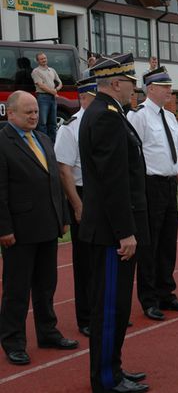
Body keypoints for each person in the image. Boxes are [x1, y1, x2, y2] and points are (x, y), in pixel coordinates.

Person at [79, 53, 150, 393]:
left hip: (112, 229)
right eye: (131, 83)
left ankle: (115, 370)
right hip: (112, 233)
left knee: (118, 306)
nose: (133, 89)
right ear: (117, 83)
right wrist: (125, 232)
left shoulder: (109, 113)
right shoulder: (106, 117)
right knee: (110, 308)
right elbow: (112, 181)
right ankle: (107, 380)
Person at [0, 91, 78, 366]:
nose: (34, 116)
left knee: (46, 286)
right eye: (28, 112)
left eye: (35, 111)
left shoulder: (44, 138)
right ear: (10, 114)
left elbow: (54, 182)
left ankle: (48, 332)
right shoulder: (3, 142)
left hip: (47, 226)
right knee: (17, 289)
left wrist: (63, 217)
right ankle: (13, 341)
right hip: (19, 231)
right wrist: (4, 229)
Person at [127, 67, 178, 321]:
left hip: (169, 185)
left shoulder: (169, 117)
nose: (169, 90)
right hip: (149, 185)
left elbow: (175, 155)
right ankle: (149, 298)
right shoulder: (139, 116)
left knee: (167, 244)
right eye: (164, 86)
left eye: (169, 86)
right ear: (150, 88)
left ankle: (166, 292)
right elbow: (135, 157)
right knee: (149, 245)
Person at [54, 76, 96, 337]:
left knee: (107, 258)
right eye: (95, 96)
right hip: (84, 194)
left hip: (105, 195)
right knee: (85, 261)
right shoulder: (71, 127)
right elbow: (64, 170)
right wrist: (77, 205)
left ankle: (104, 312)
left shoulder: (112, 122)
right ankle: (86, 317)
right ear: (83, 97)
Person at [31, 52, 62, 142]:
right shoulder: (36, 71)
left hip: (52, 98)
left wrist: (57, 89)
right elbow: (41, 86)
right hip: (43, 98)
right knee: (42, 123)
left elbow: (59, 82)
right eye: (41, 59)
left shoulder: (52, 70)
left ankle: (53, 143)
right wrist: (53, 92)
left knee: (53, 123)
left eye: (45, 58)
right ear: (37, 61)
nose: (44, 60)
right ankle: (44, 143)